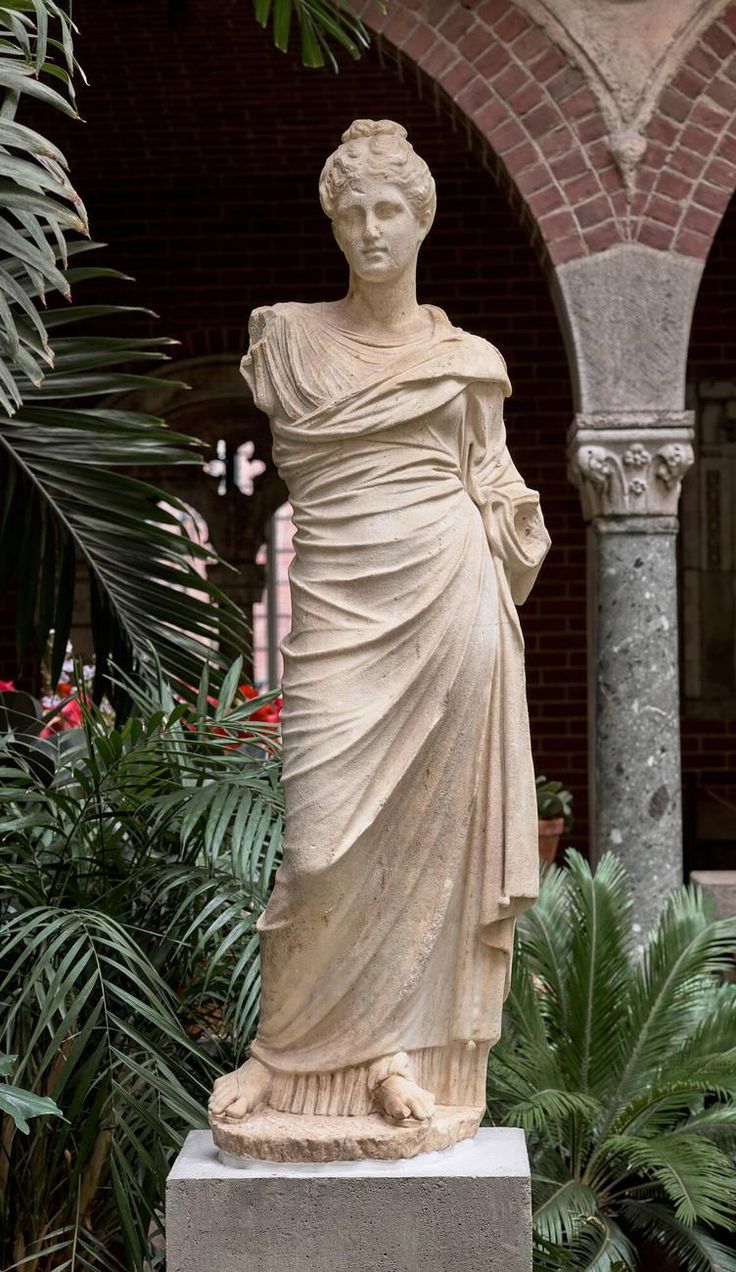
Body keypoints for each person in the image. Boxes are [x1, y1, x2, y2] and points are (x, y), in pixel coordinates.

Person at [209, 119, 549, 1139]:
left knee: (428, 848)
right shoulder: (290, 339)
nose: (369, 227)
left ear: (421, 220)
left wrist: (512, 511)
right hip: (340, 611)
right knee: (318, 845)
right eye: (351, 209)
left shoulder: (466, 363)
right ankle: (284, 1056)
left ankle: (394, 1054)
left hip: (449, 603)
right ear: (332, 221)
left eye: (388, 208)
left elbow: (498, 491)